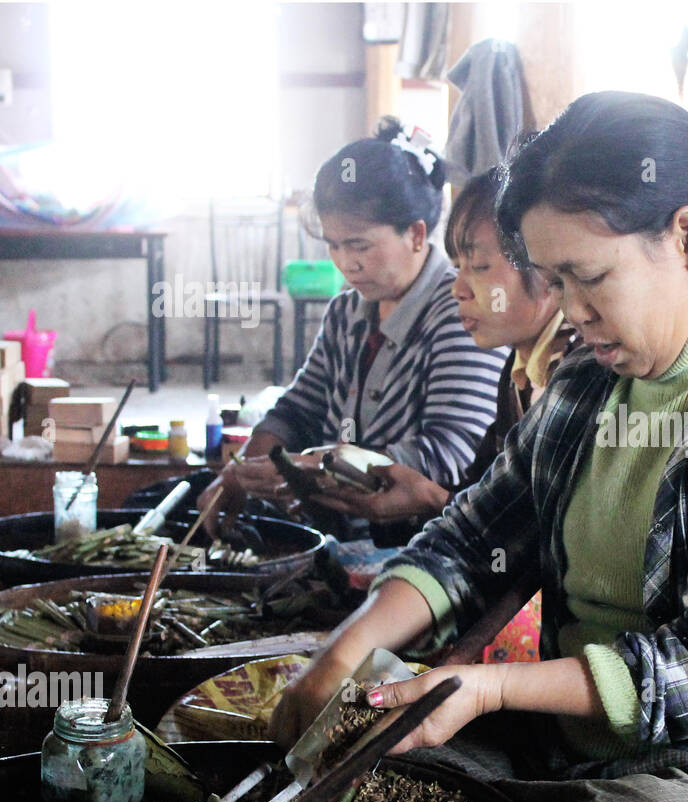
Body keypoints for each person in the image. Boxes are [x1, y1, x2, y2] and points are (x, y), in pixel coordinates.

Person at [271, 91, 688, 802]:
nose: (572, 312)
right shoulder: (587, 386)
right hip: (576, 758)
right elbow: (471, 538)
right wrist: (344, 650)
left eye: (588, 276)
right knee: (358, 769)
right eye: (555, 283)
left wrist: (492, 691)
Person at [197, 117, 508, 539]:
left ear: (416, 234)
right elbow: (297, 410)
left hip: (422, 541)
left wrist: (319, 467)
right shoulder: (347, 311)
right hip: (339, 536)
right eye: (333, 245)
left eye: (359, 245)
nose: (346, 263)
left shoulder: (460, 311)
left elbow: (450, 453)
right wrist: (238, 475)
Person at [309, 165, 574, 540]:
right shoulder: (518, 374)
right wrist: (431, 500)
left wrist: (432, 499)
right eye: (457, 268)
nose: (459, 290)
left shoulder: (577, 377)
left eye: (479, 267)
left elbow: (539, 543)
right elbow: (488, 500)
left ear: (546, 266)